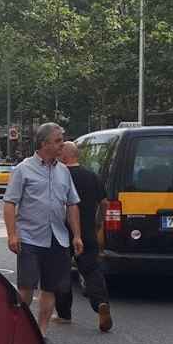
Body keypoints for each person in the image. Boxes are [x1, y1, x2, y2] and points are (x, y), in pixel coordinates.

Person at [3, 122, 82, 344]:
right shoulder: (23, 169)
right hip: (29, 238)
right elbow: (10, 203)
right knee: (26, 288)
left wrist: (76, 235)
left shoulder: (64, 171)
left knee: (50, 288)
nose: (63, 144)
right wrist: (12, 234)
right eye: (58, 140)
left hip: (57, 239)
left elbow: (72, 204)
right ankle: (18, 330)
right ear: (44, 143)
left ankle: (40, 334)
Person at [53, 140, 113, 333]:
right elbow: (104, 202)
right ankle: (101, 304)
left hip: (61, 231)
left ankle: (64, 314)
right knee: (92, 270)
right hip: (87, 230)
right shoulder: (92, 176)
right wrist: (99, 222)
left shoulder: (58, 175)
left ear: (65, 156)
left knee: (61, 271)